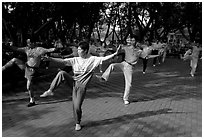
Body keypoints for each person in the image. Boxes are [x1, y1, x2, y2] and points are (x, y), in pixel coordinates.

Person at [40, 41, 121, 131]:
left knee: (77, 107)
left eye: (80, 50)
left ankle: (77, 123)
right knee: (61, 73)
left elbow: (104, 58)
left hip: (81, 87)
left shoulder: (93, 59)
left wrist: (115, 53)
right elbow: (62, 61)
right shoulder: (75, 59)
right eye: (78, 49)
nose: (78, 51)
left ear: (86, 50)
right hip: (73, 82)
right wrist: (50, 59)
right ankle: (50, 90)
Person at [2, 38, 56, 107]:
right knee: (14, 60)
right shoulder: (27, 49)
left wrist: (55, 49)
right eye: (27, 43)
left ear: (33, 43)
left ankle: (32, 100)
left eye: (29, 43)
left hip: (32, 70)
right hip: (26, 66)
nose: (28, 44)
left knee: (28, 86)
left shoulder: (39, 49)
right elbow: (16, 48)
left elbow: (49, 50)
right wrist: (8, 46)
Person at [96, 35, 142, 105]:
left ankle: (125, 99)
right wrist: (117, 48)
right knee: (112, 65)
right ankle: (104, 78)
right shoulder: (126, 47)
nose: (130, 41)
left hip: (130, 67)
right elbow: (116, 50)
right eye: (129, 40)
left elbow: (144, 55)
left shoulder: (138, 50)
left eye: (132, 40)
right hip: (124, 63)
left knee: (129, 84)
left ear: (135, 41)